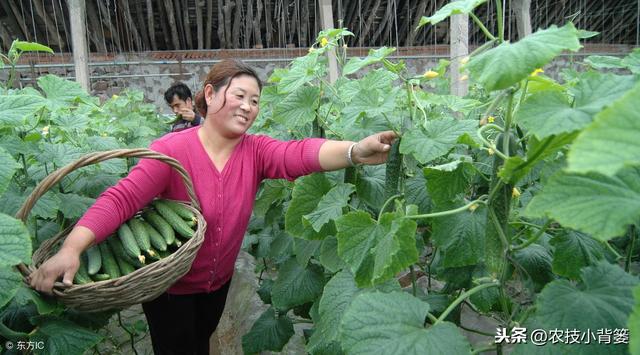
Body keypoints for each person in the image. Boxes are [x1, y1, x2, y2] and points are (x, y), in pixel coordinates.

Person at [29, 59, 397, 355]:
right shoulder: (171, 151)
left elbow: (298, 153)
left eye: (255, 101)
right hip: (169, 288)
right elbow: (122, 198)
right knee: (175, 348)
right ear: (210, 93)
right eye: (239, 95)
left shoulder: (256, 151)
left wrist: (355, 152)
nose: (248, 106)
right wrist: (72, 249)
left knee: (201, 339)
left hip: (217, 283)